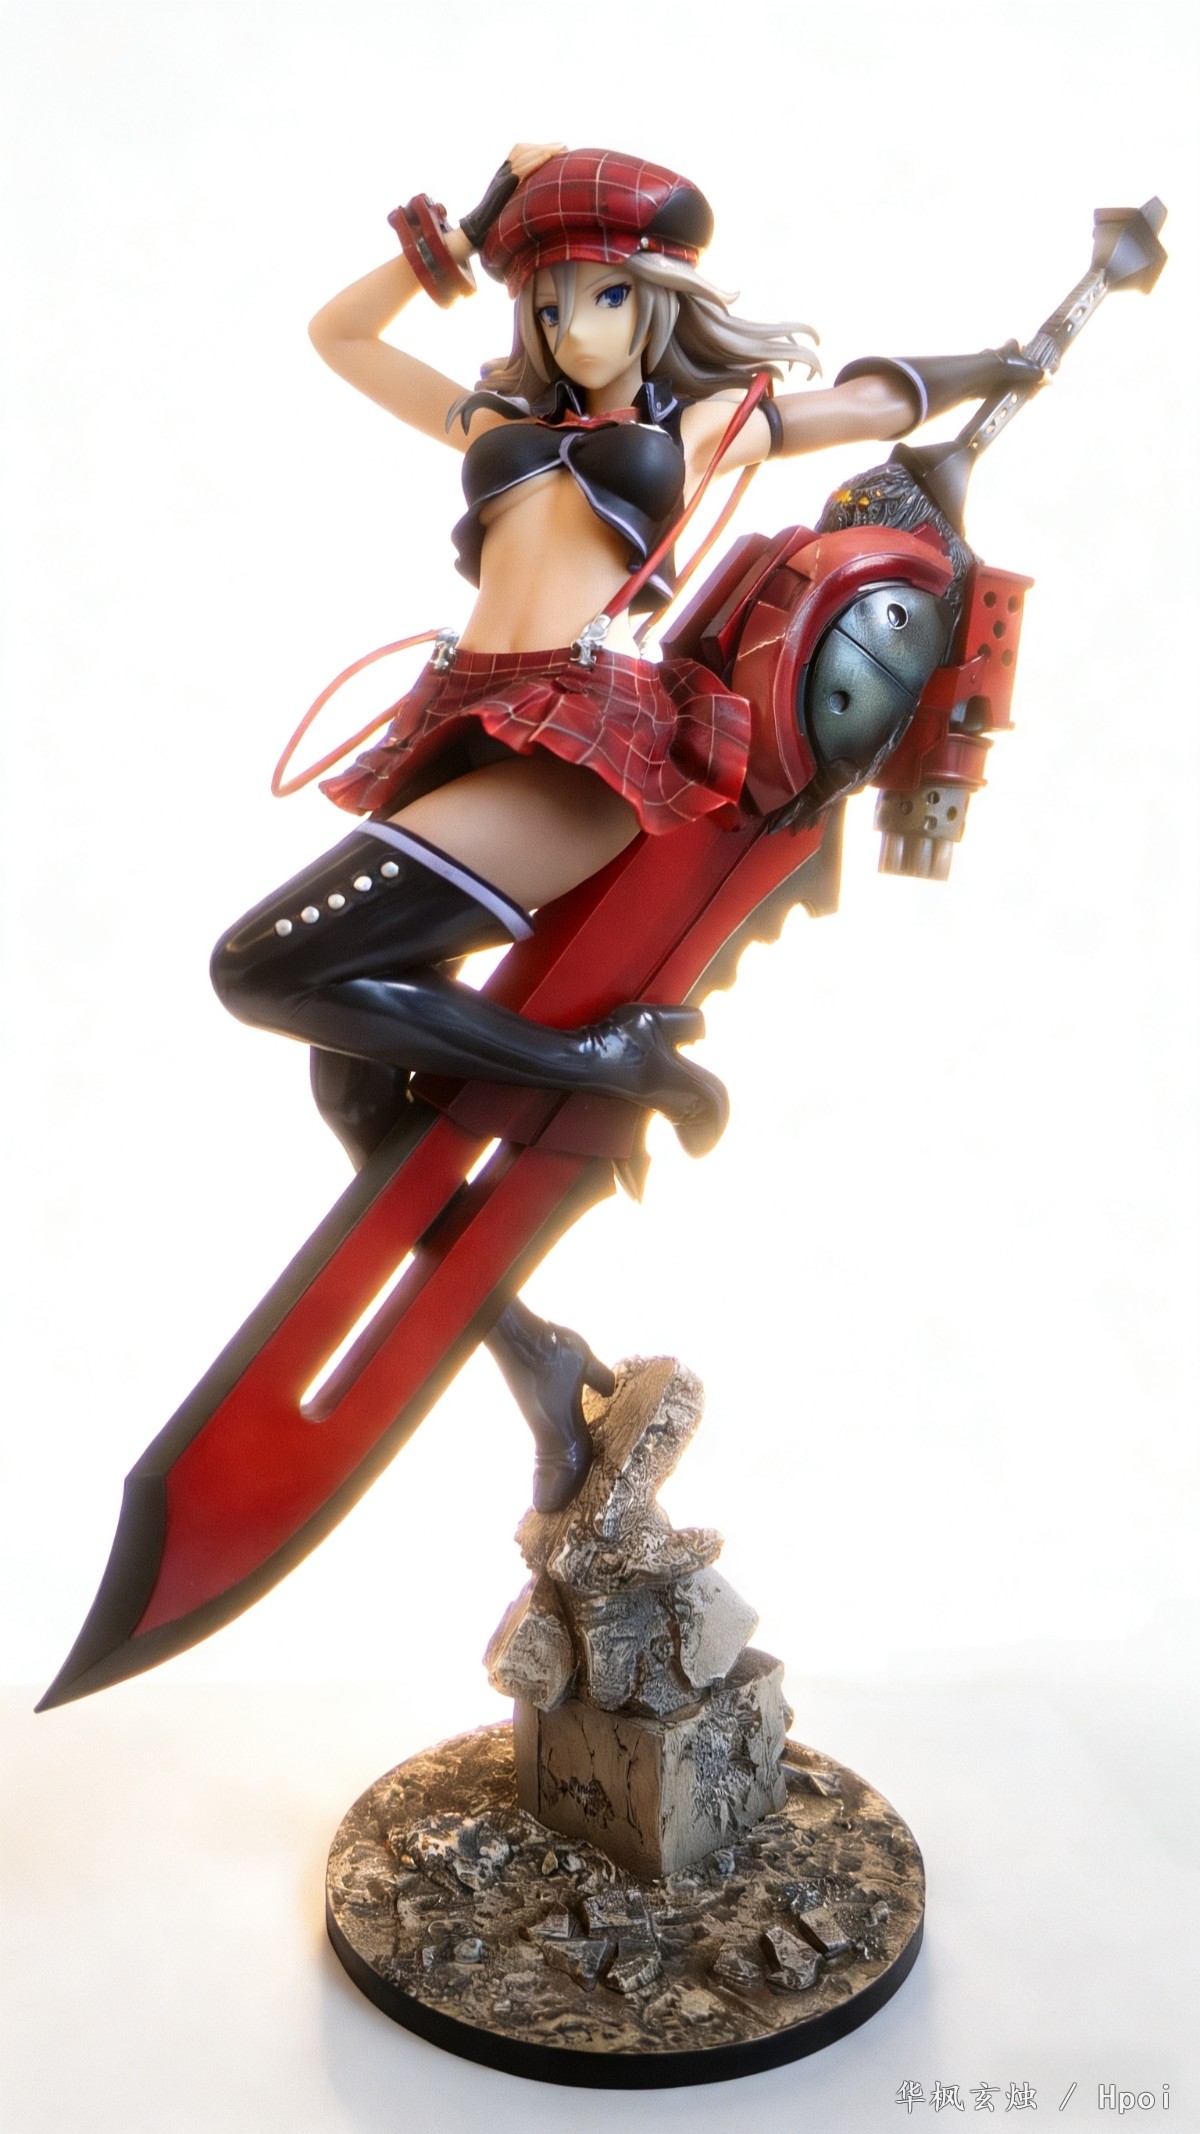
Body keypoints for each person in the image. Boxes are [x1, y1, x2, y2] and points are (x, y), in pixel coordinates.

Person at [210, 144, 1037, 1510]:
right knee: (353, 1089)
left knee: (262, 968)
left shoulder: (705, 424)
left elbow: (869, 401)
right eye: (545, 301)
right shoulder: (492, 417)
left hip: (574, 743)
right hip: (466, 722)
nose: (568, 327)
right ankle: (542, 1367)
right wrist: (457, 242)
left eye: (599, 296)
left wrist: (999, 366)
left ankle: (601, 1060)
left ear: (654, 301)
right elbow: (338, 337)